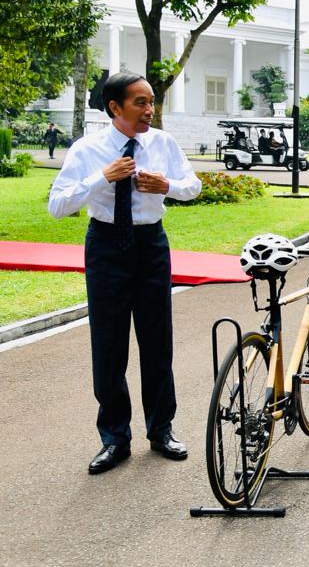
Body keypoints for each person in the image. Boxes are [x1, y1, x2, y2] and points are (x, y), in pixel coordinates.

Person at [48, 72, 202, 474]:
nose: (150, 110)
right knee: (109, 344)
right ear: (115, 107)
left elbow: (193, 186)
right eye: (140, 103)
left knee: (157, 342)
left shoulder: (163, 144)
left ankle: (161, 430)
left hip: (152, 246)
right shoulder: (88, 149)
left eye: (152, 102)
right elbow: (57, 205)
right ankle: (114, 438)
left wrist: (166, 185)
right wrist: (102, 177)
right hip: (106, 247)